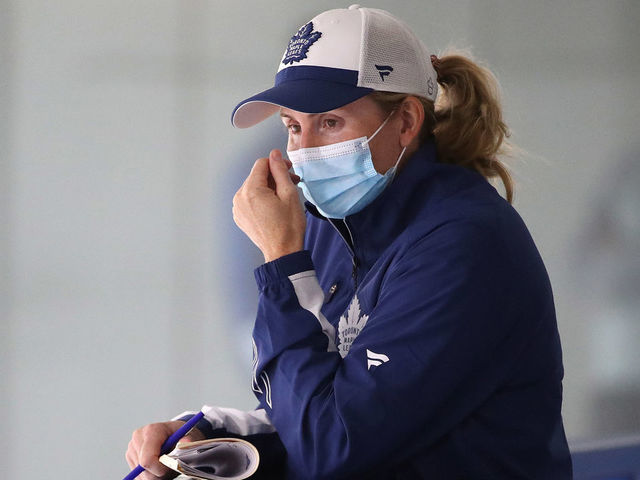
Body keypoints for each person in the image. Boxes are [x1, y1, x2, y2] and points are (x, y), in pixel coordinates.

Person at [126, 5, 573, 479]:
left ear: (405, 122)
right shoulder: (332, 224)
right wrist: (205, 435)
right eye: (294, 126)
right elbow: (312, 408)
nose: (304, 150)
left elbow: (331, 447)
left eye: (331, 122)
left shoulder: (465, 244)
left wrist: (283, 264)